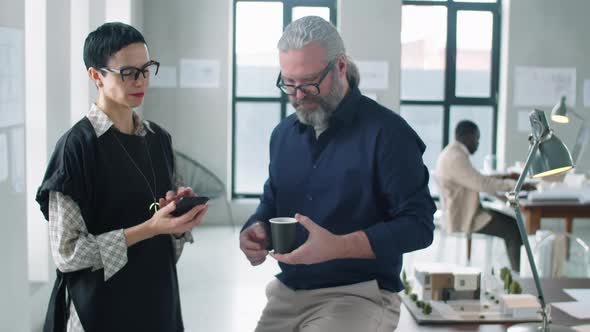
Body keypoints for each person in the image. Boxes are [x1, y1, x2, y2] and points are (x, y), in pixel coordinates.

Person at [239, 16, 436, 332]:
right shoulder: (282, 136)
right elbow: (272, 203)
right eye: (289, 83)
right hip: (287, 294)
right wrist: (255, 228)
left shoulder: (388, 134)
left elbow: (420, 226)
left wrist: (340, 246)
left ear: (341, 66)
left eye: (310, 82)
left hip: (359, 294)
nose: (299, 95)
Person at [36, 22, 208, 332]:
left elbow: (168, 240)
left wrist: (177, 222)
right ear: (96, 76)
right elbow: (67, 253)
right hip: (98, 311)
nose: (140, 80)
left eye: (146, 69)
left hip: (157, 301)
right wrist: (148, 228)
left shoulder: (159, 138)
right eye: (128, 72)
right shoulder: (76, 148)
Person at [435, 120, 531, 272]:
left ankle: (519, 272)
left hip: (464, 210)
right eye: (477, 138)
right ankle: (519, 275)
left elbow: (476, 178)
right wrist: (517, 184)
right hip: (464, 216)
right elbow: (481, 184)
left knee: (512, 224)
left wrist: (505, 177)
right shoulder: (456, 158)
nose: (478, 143)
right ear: (467, 137)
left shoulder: (452, 152)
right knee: (513, 227)